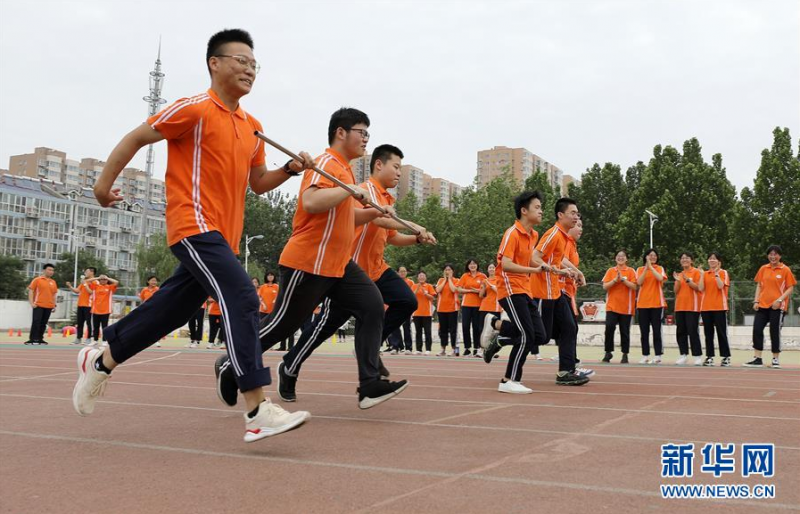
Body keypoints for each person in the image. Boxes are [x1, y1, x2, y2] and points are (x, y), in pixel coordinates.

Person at [71, 29, 313, 442]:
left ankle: (101, 361)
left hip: (224, 237)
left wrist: (289, 170)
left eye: (254, 64)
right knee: (242, 296)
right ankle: (257, 408)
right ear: (214, 63)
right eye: (241, 60)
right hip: (193, 224)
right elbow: (136, 137)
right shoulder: (194, 109)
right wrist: (101, 186)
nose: (249, 69)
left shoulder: (253, 127)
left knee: (172, 311)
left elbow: (258, 183)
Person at [214, 107, 410, 411]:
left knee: (372, 305)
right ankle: (230, 362)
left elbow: (346, 217)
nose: (366, 139)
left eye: (368, 134)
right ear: (341, 133)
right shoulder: (326, 163)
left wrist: (373, 212)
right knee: (281, 326)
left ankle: (370, 384)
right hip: (309, 261)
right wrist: (349, 191)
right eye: (362, 132)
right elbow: (311, 201)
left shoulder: (345, 170)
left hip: (338, 264)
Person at [274, 143, 434, 402]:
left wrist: (416, 239)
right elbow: (378, 218)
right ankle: (289, 364)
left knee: (406, 301)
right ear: (379, 165)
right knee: (323, 327)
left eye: (401, 169)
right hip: (349, 272)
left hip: (377, 271)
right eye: (395, 167)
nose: (398, 173)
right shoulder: (364, 190)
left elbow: (391, 236)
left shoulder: (387, 198)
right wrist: (416, 226)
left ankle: (368, 350)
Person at [481, 191, 585, 393]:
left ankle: (497, 327)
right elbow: (506, 264)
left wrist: (559, 270)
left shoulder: (534, 235)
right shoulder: (512, 233)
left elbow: (536, 260)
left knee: (540, 335)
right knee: (527, 335)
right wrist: (536, 269)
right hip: (510, 289)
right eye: (537, 207)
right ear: (523, 210)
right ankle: (509, 380)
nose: (541, 211)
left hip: (526, 289)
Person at [530, 198, 592, 382]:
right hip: (542, 290)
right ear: (560, 215)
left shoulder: (564, 237)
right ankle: (501, 332)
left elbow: (559, 261)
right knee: (541, 335)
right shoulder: (553, 234)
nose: (576, 217)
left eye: (577, 214)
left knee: (569, 327)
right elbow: (534, 257)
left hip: (556, 290)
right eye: (573, 213)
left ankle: (566, 371)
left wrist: (573, 272)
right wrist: (557, 271)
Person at [745, 245, 796, 369]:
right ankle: (757, 358)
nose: (773, 257)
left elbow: (790, 288)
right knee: (757, 329)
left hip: (777, 307)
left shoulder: (785, 270)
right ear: (768, 255)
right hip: (762, 305)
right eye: (771, 254)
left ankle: (775, 359)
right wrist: (756, 301)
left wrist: (779, 300)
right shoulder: (763, 268)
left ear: (780, 256)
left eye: (775, 254)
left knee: (774, 331)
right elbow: (759, 285)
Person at [601, 250, 637, 363]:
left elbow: (635, 286)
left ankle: (625, 354)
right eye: (618, 256)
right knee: (609, 328)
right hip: (612, 306)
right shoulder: (611, 271)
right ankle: (608, 352)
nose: (620, 258)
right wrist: (615, 280)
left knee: (624, 331)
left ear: (626, 259)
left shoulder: (631, 271)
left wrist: (623, 280)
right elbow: (605, 286)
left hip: (626, 307)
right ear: (615, 258)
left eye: (623, 256)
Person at [698, 251, 731, 367]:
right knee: (708, 334)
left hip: (719, 307)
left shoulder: (723, 272)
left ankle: (725, 357)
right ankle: (709, 356)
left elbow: (720, 286)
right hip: (706, 307)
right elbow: (700, 288)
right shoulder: (705, 274)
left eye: (714, 258)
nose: (712, 260)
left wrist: (716, 274)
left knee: (721, 332)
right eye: (710, 258)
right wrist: (702, 275)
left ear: (719, 261)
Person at [636, 248, 667, 364]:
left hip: (657, 304)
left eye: (654, 255)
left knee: (656, 330)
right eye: (650, 255)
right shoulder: (639, 269)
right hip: (643, 304)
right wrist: (646, 268)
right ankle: (645, 355)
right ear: (646, 257)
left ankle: (658, 355)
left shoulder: (659, 268)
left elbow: (660, 278)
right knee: (644, 331)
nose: (653, 257)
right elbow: (639, 282)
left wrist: (651, 268)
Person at [673, 253, 704, 366]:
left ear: (692, 261)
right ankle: (683, 354)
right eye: (682, 258)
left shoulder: (696, 272)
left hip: (693, 307)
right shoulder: (680, 274)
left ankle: (697, 356)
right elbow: (676, 291)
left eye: (687, 258)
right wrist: (677, 280)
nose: (684, 260)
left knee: (692, 331)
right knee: (681, 331)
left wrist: (688, 281)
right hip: (680, 307)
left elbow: (699, 288)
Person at [456, 259, 487, 356]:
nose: (472, 265)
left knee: (476, 327)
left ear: (477, 265)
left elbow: (486, 290)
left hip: (478, 305)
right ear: (468, 266)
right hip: (466, 305)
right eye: (470, 264)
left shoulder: (482, 276)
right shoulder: (465, 276)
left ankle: (476, 348)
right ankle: (467, 348)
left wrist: (477, 291)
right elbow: (458, 288)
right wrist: (470, 291)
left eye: (474, 264)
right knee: (465, 326)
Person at [25, 263, 57, 345]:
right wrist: (31, 303)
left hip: (49, 306)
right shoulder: (37, 280)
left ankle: (40, 338)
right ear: (44, 270)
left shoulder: (53, 282)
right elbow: (31, 291)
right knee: (36, 321)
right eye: (49, 270)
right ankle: (33, 339)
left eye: (52, 270)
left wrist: (54, 305)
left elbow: (54, 294)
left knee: (44, 323)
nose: (51, 272)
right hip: (38, 305)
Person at [475, 263, 501, 359]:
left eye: (493, 267)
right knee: (482, 328)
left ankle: (491, 350)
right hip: (485, 307)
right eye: (490, 267)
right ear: (487, 270)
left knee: (494, 331)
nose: (491, 269)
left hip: (496, 308)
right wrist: (483, 288)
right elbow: (481, 295)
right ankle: (480, 349)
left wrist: (495, 289)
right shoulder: (484, 280)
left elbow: (503, 293)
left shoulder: (499, 279)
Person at [387, 266, 415, 354]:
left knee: (406, 328)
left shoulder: (410, 282)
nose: (403, 273)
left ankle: (408, 347)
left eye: (404, 271)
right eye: (401, 271)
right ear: (397, 272)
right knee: (394, 327)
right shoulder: (393, 282)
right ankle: (395, 347)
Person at [66, 267, 96, 345]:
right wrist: (70, 286)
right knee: (80, 322)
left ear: (92, 272)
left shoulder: (95, 281)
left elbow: (91, 292)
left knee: (89, 323)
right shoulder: (84, 281)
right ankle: (78, 338)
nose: (85, 273)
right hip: (80, 305)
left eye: (87, 271)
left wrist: (85, 284)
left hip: (89, 305)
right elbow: (77, 291)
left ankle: (88, 339)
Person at [86, 274, 118, 346]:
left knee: (105, 327)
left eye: (104, 279)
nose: (103, 280)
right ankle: (95, 340)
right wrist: (98, 277)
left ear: (107, 280)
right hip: (95, 310)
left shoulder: (110, 287)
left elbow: (116, 282)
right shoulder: (95, 286)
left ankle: (104, 340)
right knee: (95, 326)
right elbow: (87, 281)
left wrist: (107, 278)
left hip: (106, 310)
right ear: (99, 280)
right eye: (102, 279)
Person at [435, 264, 460, 356]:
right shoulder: (440, 280)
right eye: (446, 270)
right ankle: (443, 349)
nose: (447, 271)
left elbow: (453, 289)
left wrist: (449, 279)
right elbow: (438, 290)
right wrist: (445, 280)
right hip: (441, 308)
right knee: (443, 330)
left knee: (453, 330)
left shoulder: (456, 280)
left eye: (449, 270)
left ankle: (454, 349)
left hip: (453, 308)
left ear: (452, 271)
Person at [412, 271, 436, 354]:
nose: (421, 277)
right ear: (417, 277)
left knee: (427, 332)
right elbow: (411, 296)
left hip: (427, 313)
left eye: (423, 276)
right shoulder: (414, 286)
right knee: (418, 332)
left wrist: (426, 294)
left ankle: (428, 349)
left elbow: (433, 298)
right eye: (420, 276)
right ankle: (418, 349)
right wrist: (417, 289)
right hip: (416, 313)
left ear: (425, 277)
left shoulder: (429, 286)